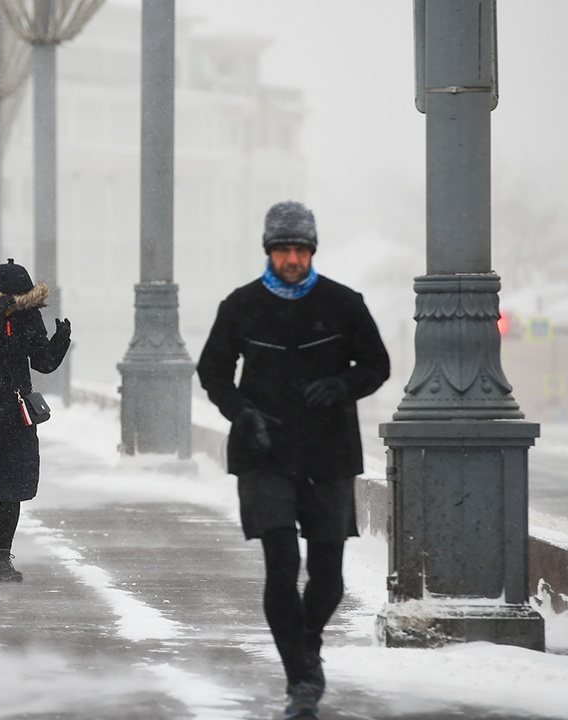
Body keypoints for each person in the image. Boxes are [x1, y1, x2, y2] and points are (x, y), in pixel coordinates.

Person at [195, 201, 390, 719]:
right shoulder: (240, 306)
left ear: (312, 252)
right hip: (265, 452)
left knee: (328, 579)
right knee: (282, 566)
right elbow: (212, 370)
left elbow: (378, 364)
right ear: (268, 252)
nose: (291, 258)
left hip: (329, 454)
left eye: (300, 249)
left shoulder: (343, 304)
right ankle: (300, 680)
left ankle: (306, 641)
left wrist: (342, 384)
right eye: (282, 249)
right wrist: (241, 412)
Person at [0, 259, 71, 582]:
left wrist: (60, 340)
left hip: (15, 415)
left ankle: (2, 559)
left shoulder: (29, 318)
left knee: (13, 489)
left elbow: (43, 363)